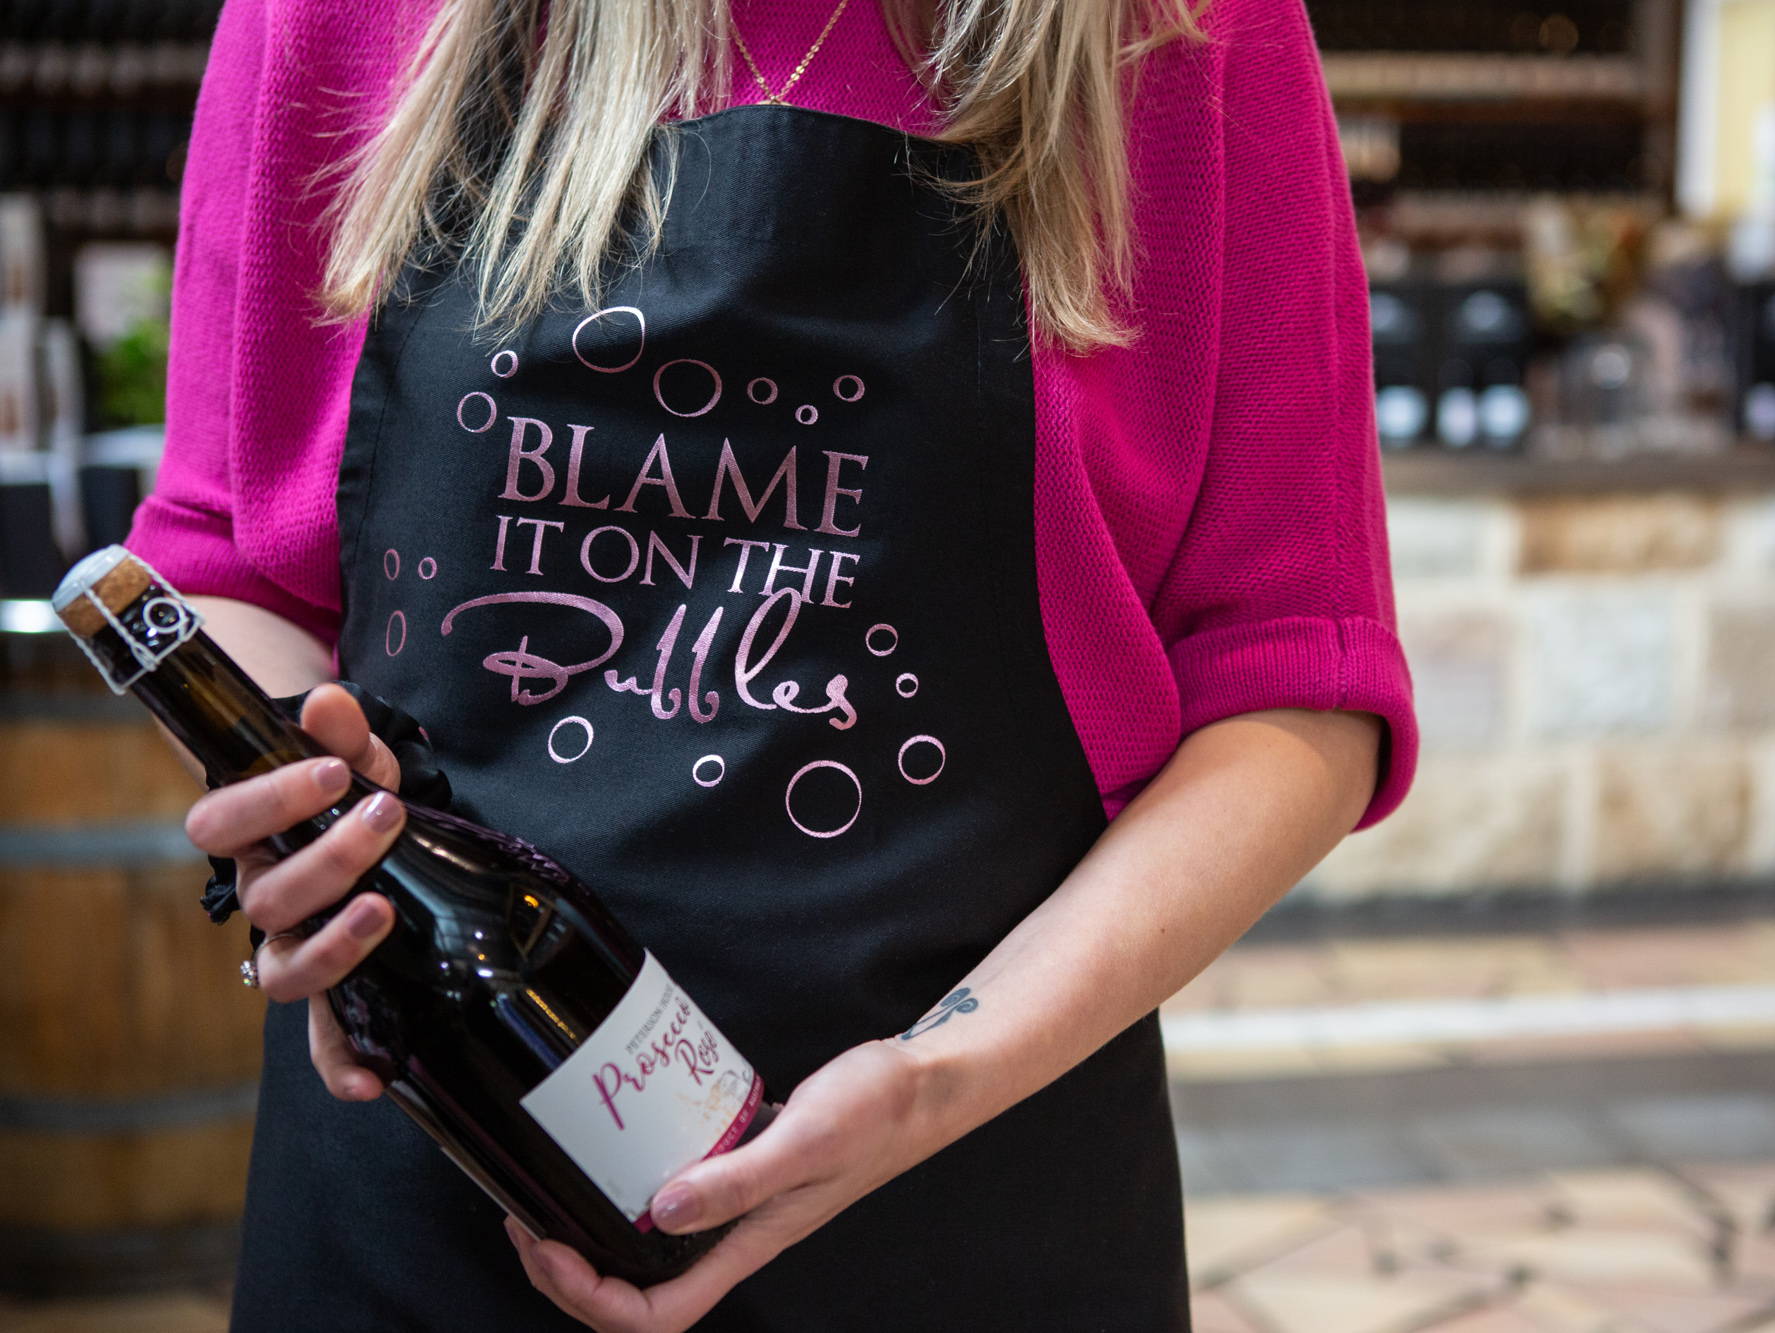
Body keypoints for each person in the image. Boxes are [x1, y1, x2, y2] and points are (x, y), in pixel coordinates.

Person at [132, 0, 1418, 1327]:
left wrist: (940, 1071)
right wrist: (314, 835)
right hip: (434, 1195)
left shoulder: (1184, 31)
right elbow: (226, 554)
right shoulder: (337, 20)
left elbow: (1295, 682)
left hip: (970, 1196)